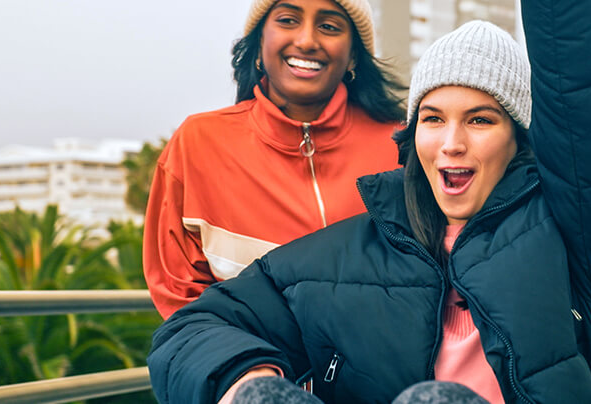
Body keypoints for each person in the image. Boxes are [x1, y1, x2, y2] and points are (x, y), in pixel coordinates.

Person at [147, 0, 591, 401]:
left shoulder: (577, 237)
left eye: (480, 119)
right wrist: (250, 382)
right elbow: (194, 327)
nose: (451, 143)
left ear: (518, 138)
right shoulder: (359, 242)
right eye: (433, 118)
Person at [144, 0, 406, 318]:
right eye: (287, 20)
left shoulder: (403, 144)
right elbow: (181, 296)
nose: (307, 41)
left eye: (329, 26)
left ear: (353, 55)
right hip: (248, 364)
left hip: (383, 365)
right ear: (258, 45)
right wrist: (249, 366)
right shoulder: (199, 142)